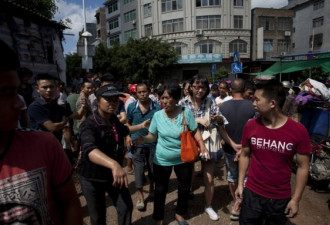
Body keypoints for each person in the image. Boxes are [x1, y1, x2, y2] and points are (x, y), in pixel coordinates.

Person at [0, 39, 83, 225]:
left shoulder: (44, 144)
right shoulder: (36, 108)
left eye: (52, 87)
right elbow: (53, 127)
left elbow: (70, 203)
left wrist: (82, 106)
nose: (20, 104)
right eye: (5, 93)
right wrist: (65, 121)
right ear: (37, 90)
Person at [235, 79, 312, 225]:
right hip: (252, 194)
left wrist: (295, 200)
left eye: (257, 100)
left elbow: (303, 167)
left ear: (272, 103)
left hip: (279, 199)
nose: (253, 103)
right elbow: (244, 154)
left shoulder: (298, 131)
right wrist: (240, 184)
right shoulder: (250, 125)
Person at [134, 83, 209, 225]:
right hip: (162, 160)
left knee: (184, 187)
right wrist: (143, 139)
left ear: (175, 98)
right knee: (160, 190)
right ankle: (158, 217)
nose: (164, 101)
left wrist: (202, 146)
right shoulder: (157, 116)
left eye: (167, 98)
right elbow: (152, 136)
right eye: (162, 98)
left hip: (184, 158)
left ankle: (180, 213)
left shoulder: (185, 112)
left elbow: (195, 130)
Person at [78, 84, 150, 225]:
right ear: (98, 101)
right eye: (108, 99)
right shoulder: (89, 124)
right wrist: (114, 164)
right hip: (92, 177)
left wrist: (141, 126)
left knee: (126, 206)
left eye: (115, 100)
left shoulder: (113, 119)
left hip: (113, 175)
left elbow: (124, 130)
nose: (113, 103)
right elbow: (89, 149)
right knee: (98, 216)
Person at [179, 75, 240, 221]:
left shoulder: (210, 101)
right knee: (186, 176)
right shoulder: (182, 103)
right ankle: (183, 205)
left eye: (203, 87)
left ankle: (208, 205)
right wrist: (196, 120)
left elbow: (220, 124)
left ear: (207, 89)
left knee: (209, 178)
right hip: (189, 142)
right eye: (196, 87)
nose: (199, 90)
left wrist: (231, 142)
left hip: (208, 143)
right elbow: (178, 122)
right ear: (190, 87)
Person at [219, 78, 255, 221]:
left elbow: (221, 129)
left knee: (232, 176)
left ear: (230, 90)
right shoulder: (253, 107)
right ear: (245, 88)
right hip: (247, 149)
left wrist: (233, 144)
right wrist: (243, 147)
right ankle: (240, 204)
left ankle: (235, 203)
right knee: (245, 177)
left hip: (229, 148)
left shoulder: (222, 107)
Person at [126, 82, 161, 210]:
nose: (142, 94)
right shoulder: (131, 107)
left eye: (144, 91)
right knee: (139, 171)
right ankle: (140, 195)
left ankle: (152, 187)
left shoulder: (157, 107)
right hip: (137, 143)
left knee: (153, 169)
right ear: (136, 93)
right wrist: (128, 136)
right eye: (139, 92)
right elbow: (127, 124)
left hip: (153, 143)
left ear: (149, 91)